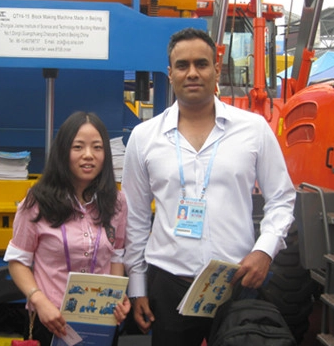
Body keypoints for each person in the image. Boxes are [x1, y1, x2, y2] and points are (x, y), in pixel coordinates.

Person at [122, 27, 296, 346]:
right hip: (169, 284)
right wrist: (137, 287)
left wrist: (264, 250)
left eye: (201, 64)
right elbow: (134, 217)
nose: (192, 73)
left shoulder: (253, 129)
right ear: (170, 73)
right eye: (182, 65)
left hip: (238, 281)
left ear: (216, 69)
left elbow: (282, 198)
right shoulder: (144, 137)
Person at [4, 111, 130, 345]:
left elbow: (116, 255)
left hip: (99, 323)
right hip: (50, 320)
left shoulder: (117, 202)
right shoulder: (37, 202)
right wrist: (39, 300)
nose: (88, 155)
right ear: (63, 152)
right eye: (78, 147)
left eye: (97, 147)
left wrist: (117, 296)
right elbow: (18, 261)